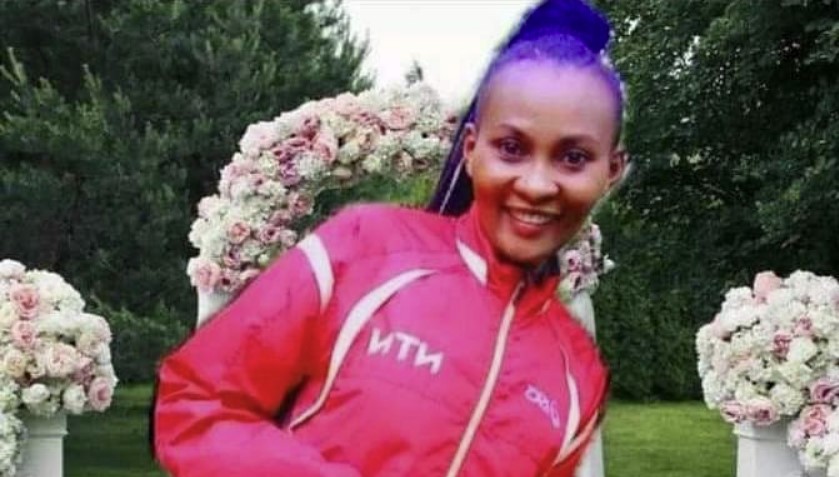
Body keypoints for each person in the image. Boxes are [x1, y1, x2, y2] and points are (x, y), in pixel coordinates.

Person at [152, 0, 627, 476]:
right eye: (511, 148)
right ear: (470, 150)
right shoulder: (364, 249)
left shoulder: (578, 376)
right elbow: (195, 404)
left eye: (573, 158)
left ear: (611, 171)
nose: (538, 185)